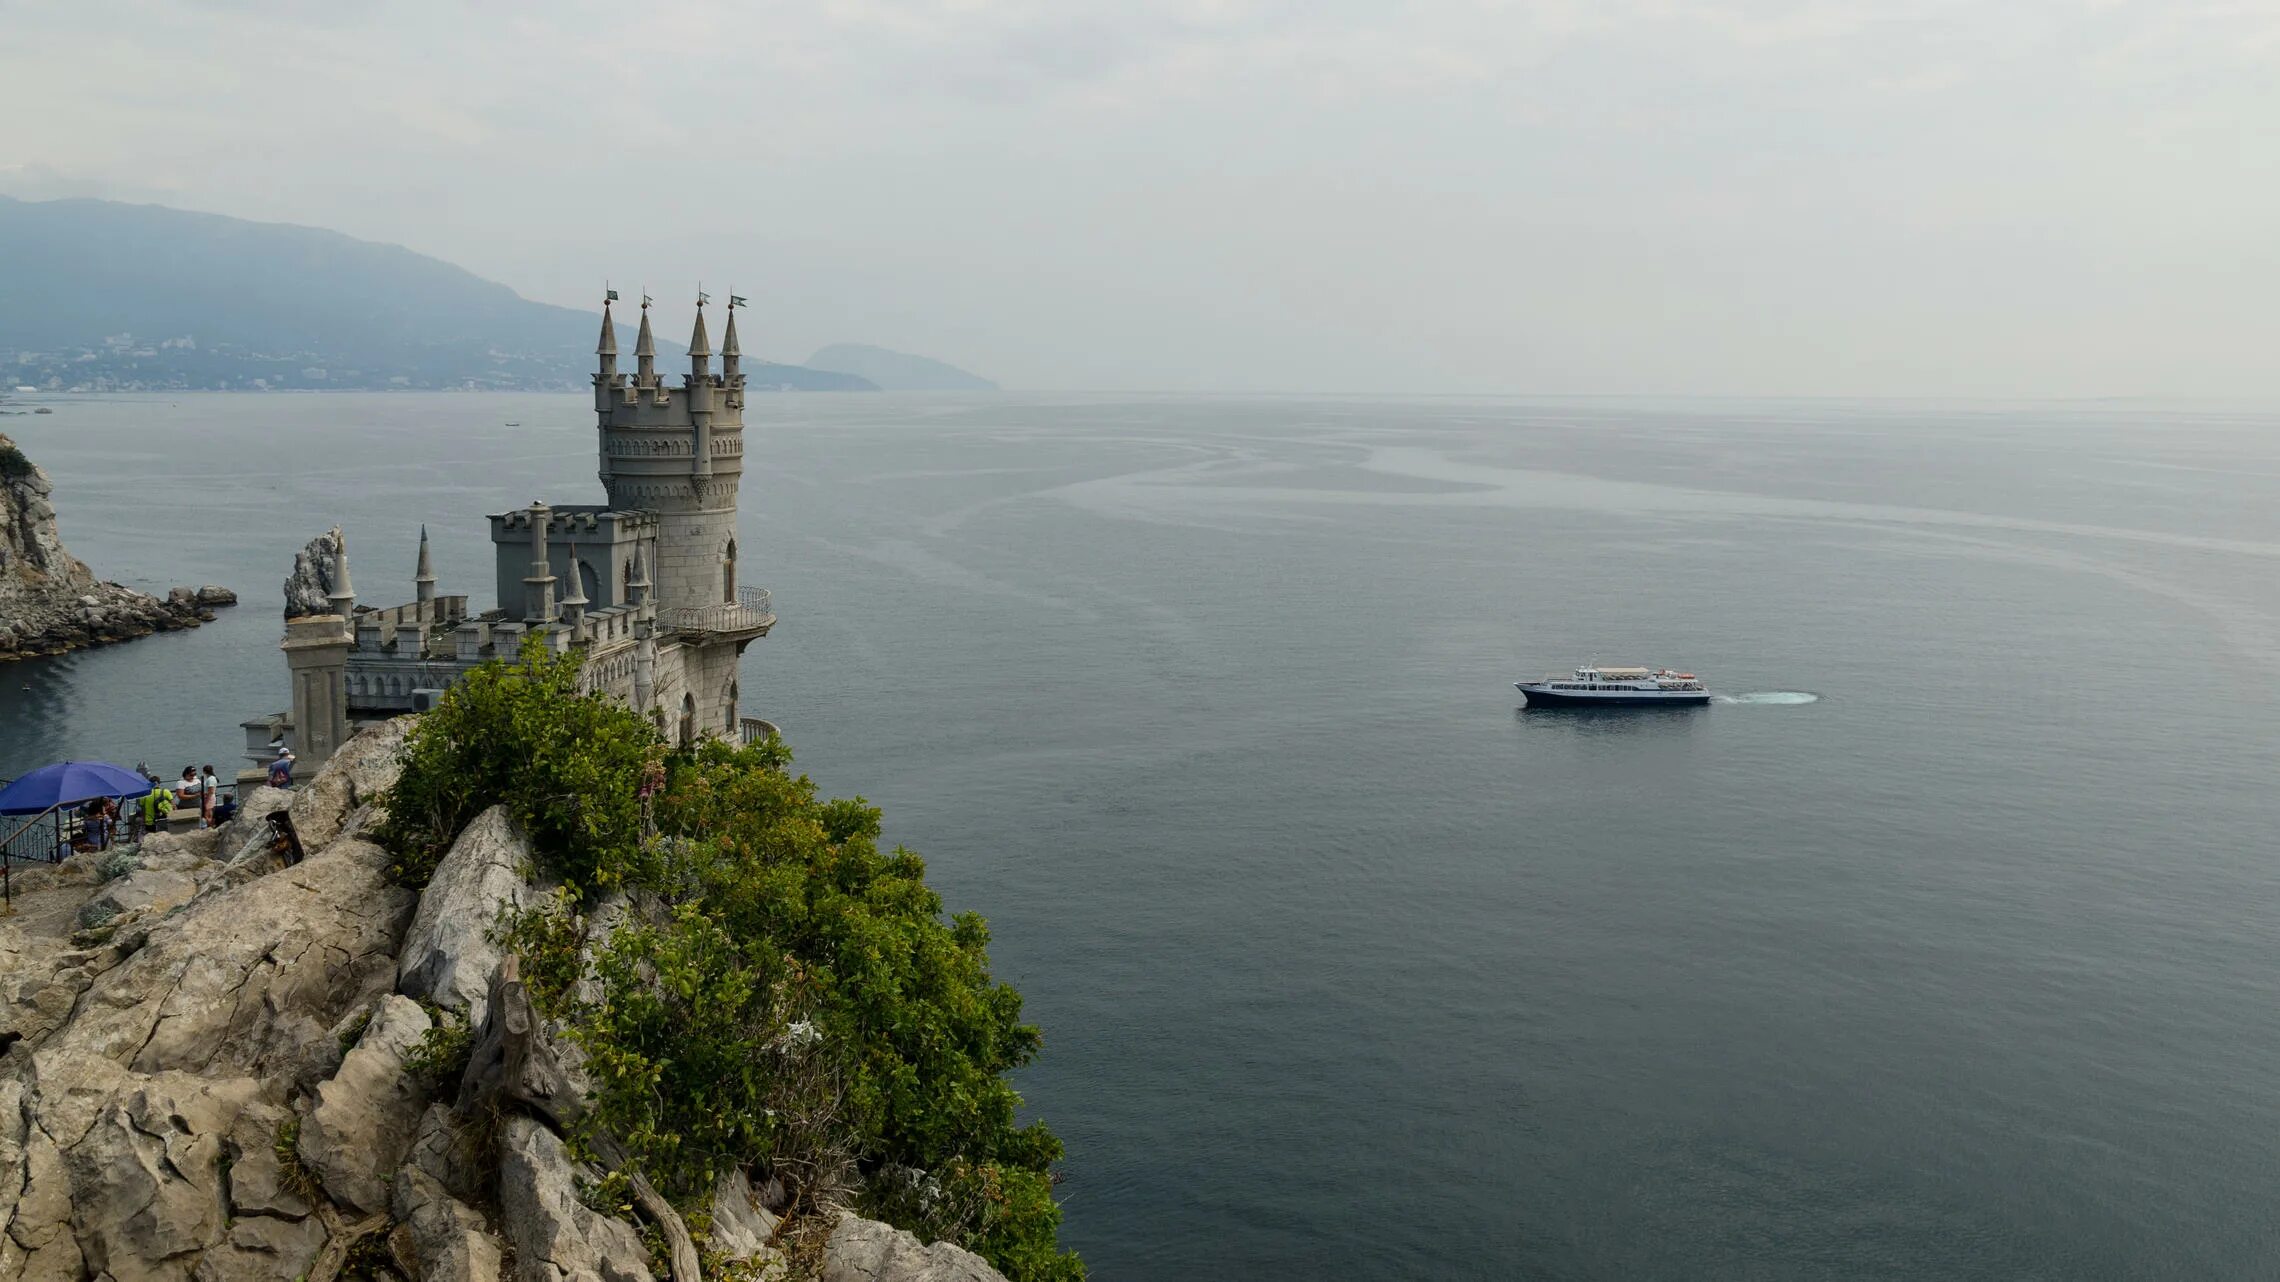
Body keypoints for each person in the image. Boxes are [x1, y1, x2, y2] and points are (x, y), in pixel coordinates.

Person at [199, 763, 220, 828]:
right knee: (209, 813)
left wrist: (206, 801)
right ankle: (210, 826)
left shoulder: (210, 779)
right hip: (209, 797)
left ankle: (209, 826)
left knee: (206, 814)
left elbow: (210, 791)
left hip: (209, 798)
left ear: (204, 771)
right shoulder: (212, 778)